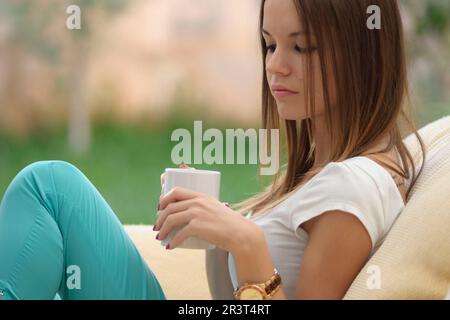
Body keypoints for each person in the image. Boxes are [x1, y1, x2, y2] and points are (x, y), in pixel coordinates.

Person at [0, 0, 425, 300]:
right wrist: (214, 226)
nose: (276, 64)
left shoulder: (355, 189)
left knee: (48, 187)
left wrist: (246, 241)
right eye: (270, 43)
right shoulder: (326, 171)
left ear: (363, 53)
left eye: (303, 46)